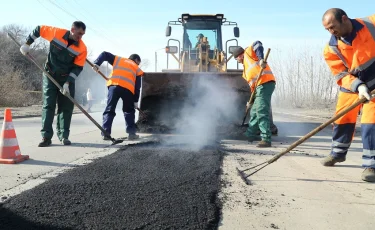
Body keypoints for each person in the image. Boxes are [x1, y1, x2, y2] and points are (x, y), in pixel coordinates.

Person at [321, 8, 375, 182]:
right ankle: (337, 153)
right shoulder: (331, 48)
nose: (331, 31)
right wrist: (358, 86)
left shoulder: (371, 24)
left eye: (332, 27)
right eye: (327, 29)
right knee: (342, 118)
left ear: (344, 19)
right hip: (353, 84)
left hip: (374, 83)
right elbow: (340, 74)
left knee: (370, 122)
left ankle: (371, 165)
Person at [20, 21, 87, 147]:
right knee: (48, 105)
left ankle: (64, 136)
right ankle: (46, 137)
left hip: (66, 79)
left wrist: (67, 83)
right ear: (72, 29)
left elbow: (77, 68)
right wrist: (27, 44)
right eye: (79, 33)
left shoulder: (82, 48)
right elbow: (39, 29)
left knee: (66, 107)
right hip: (49, 74)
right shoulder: (57, 33)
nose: (80, 37)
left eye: (83, 35)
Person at [92, 52, 144, 140]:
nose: (138, 64)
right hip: (128, 90)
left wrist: (97, 63)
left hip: (114, 87)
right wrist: (135, 101)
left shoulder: (119, 59)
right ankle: (131, 134)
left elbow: (104, 54)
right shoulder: (137, 69)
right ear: (136, 60)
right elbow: (137, 87)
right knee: (129, 111)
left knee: (109, 109)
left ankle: (106, 133)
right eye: (138, 63)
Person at [233, 42, 276, 148]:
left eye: (236, 59)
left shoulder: (248, 52)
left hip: (265, 83)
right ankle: (250, 134)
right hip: (258, 88)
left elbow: (258, 44)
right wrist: (250, 102)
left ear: (239, 56)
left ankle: (266, 139)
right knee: (254, 111)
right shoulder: (245, 72)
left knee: (261, 111)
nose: (237, 61)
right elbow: (253, 87)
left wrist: (261, 59)